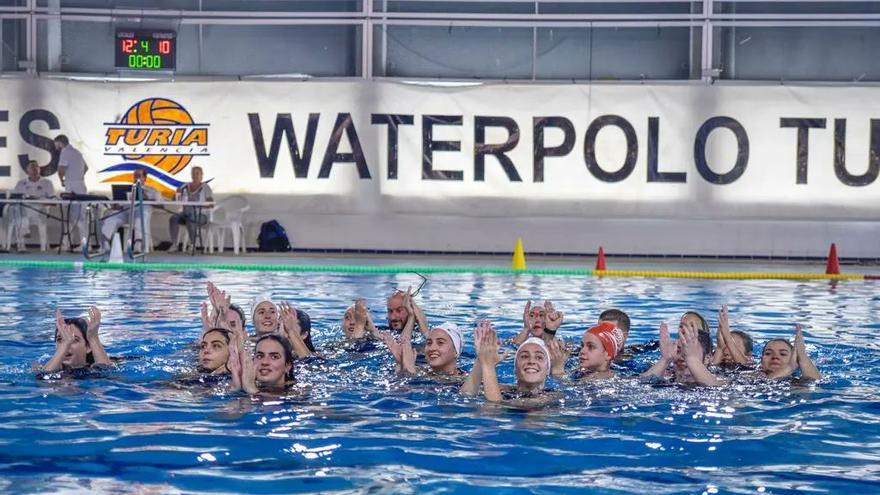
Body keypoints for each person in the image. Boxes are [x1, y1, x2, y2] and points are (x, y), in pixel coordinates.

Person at [462, 320, 556, 405]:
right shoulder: (505, 389)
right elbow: (465, 396)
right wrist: (481, 359)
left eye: (539, 357)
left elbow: (494, 410)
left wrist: (488, 365)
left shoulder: (551, 397)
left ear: (548, 369)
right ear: (515, 368)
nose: (531, 361)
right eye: (524, 356)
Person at [640, 320, 721, 386]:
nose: (682, 357)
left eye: (688, 351)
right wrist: (664, 360)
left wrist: (692, 360)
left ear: (707, 358)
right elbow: (641, 386)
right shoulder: (667, 376)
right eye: (678, 351)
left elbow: (718, 390)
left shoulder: (720, 379)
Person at [99, 168, 161, 252]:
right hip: (126, 212)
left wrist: (146, 197)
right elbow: (119, 204)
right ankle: (105, 243)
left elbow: (161, 204)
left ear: (145, 178)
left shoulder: (152, 190)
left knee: (139, 218)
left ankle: (138, 244)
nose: (136, 178)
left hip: (141, 212)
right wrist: (116, 205)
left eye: (139, 176)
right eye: (135, 176)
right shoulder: (128, 189)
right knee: (111, 218)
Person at [37, 307, 111, 374]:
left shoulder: (96, 367)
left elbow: (108, 374)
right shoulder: (41, 366)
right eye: (60, 339)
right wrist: (65, 344)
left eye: (74, 339)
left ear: (88, 346)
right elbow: (44, 378)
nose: (67, 344)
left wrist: (93, 339)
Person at [551, 322, 624, 381]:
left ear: (608, 354)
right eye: (582, 346)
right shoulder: (586, 371)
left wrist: (557, 368)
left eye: (591, 347)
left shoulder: (597, 378)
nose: (582, 351)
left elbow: (565, 389)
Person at [229, 333, 296, 394]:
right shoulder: (244, 385)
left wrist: (251, 389)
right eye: (260, 356)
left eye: (274, 357)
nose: (264, 362)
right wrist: (236, 389)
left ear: (287, 366)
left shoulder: (297, 393)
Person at [9, 160, 54, 251]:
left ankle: (23, 236)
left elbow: (52, 199)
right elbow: (14, 197)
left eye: (36, 167)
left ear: (39, 169)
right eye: (31, 167)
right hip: (24, 209)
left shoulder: (47, 182)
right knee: (18, 209)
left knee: (20, 213)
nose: (34, 169)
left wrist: (40, 200)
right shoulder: (21, 183)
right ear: (27, 170)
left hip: (40, 210)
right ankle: (21, 246)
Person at [54, 135, 89, 247]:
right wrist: (78, 176)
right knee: (80, 217)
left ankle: (70, 244)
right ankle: (77, 243)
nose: (56, 147)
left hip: (72, 187)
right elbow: (86, 168)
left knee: (73, 217)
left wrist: (62, 180)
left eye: (56, 144)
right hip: (80, 185)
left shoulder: (65, 152)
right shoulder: (77, 152)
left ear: (60, 143)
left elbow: (61, 169)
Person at [168, 166, 213, 252]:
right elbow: (176, 199)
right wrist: (176, 195)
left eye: (197, 173)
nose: (195, 175)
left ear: (201, 175)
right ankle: (174, 244)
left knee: (190, 217)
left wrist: (198, 206)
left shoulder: (205, 187)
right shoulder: (185, 186)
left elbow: (211, 204)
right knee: (173, 218)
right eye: (193, 173)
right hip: (185, 213)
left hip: (201, 215)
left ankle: (192, 244)